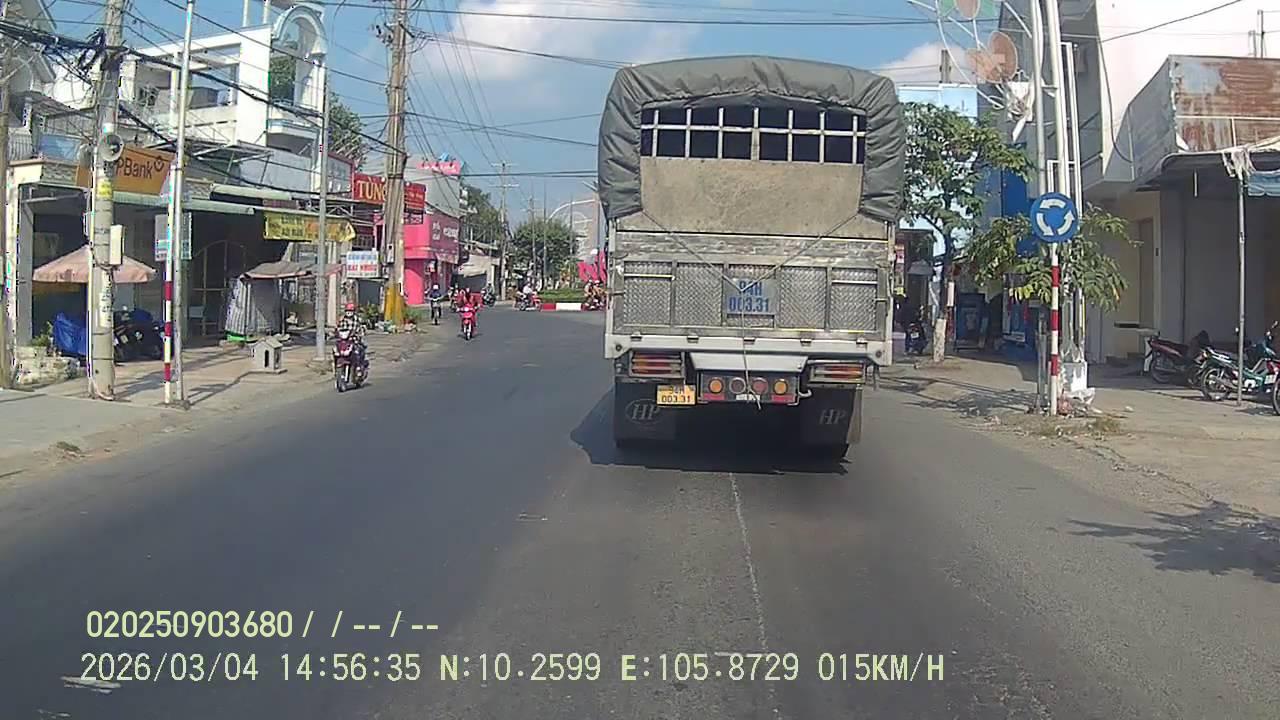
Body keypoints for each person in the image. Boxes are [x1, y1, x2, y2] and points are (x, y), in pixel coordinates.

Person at [336, 302, 367, 366]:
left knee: (358, 350)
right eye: (347, 311)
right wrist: (336, 333)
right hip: (344, 339)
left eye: (350, 311)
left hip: (354, 339)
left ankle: (358, 365)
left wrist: (360, 333)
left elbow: (362, 327)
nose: (349, 312)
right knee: (336, 349)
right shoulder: (342, 319)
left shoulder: (357, 319)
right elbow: (338, 328)